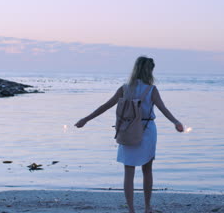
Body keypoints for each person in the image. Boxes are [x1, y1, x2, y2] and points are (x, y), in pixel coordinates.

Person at [74, 56, 184, 213]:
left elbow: (105, 106)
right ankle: (147, 208)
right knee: (147, 169)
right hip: (147, 129)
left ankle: (131, 210)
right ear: (149, 71)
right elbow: (163, 109)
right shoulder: (151, 89)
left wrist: (86, 119)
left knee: (129, 171)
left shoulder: (125, 88)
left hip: (127, 129)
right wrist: (176, 122)